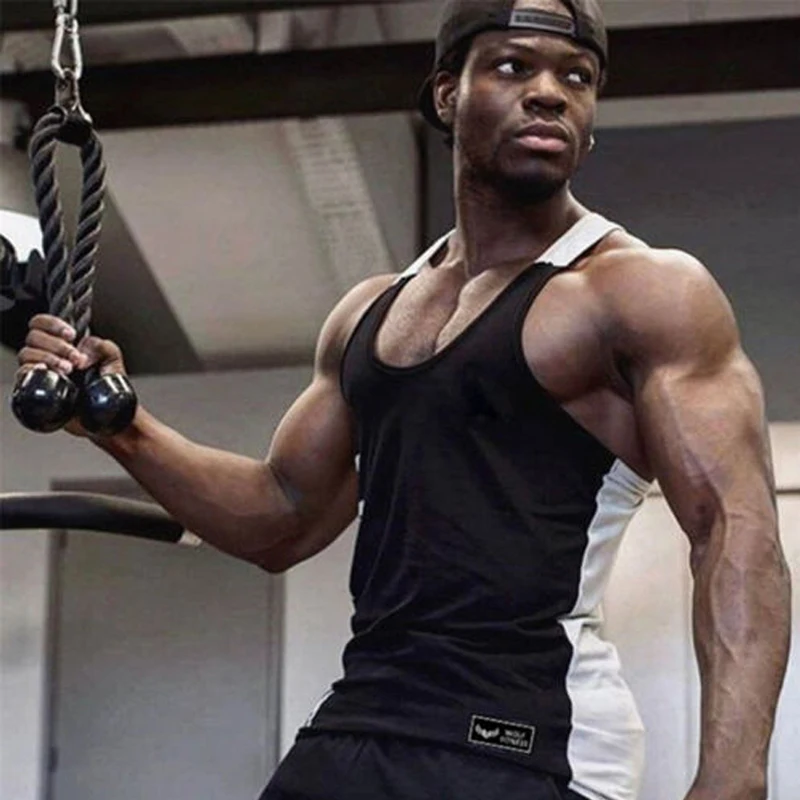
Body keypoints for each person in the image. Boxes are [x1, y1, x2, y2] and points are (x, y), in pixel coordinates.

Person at [15, 0, 791, 798]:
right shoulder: (370, 312)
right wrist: (120, 427)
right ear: (448, 94)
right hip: (369, 713)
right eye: (513, 67)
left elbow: (733, 529)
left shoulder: (643, 292)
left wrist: (733, 780)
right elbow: (282, 515)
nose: (549, 93)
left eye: (577, 77)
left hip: (526, 736)